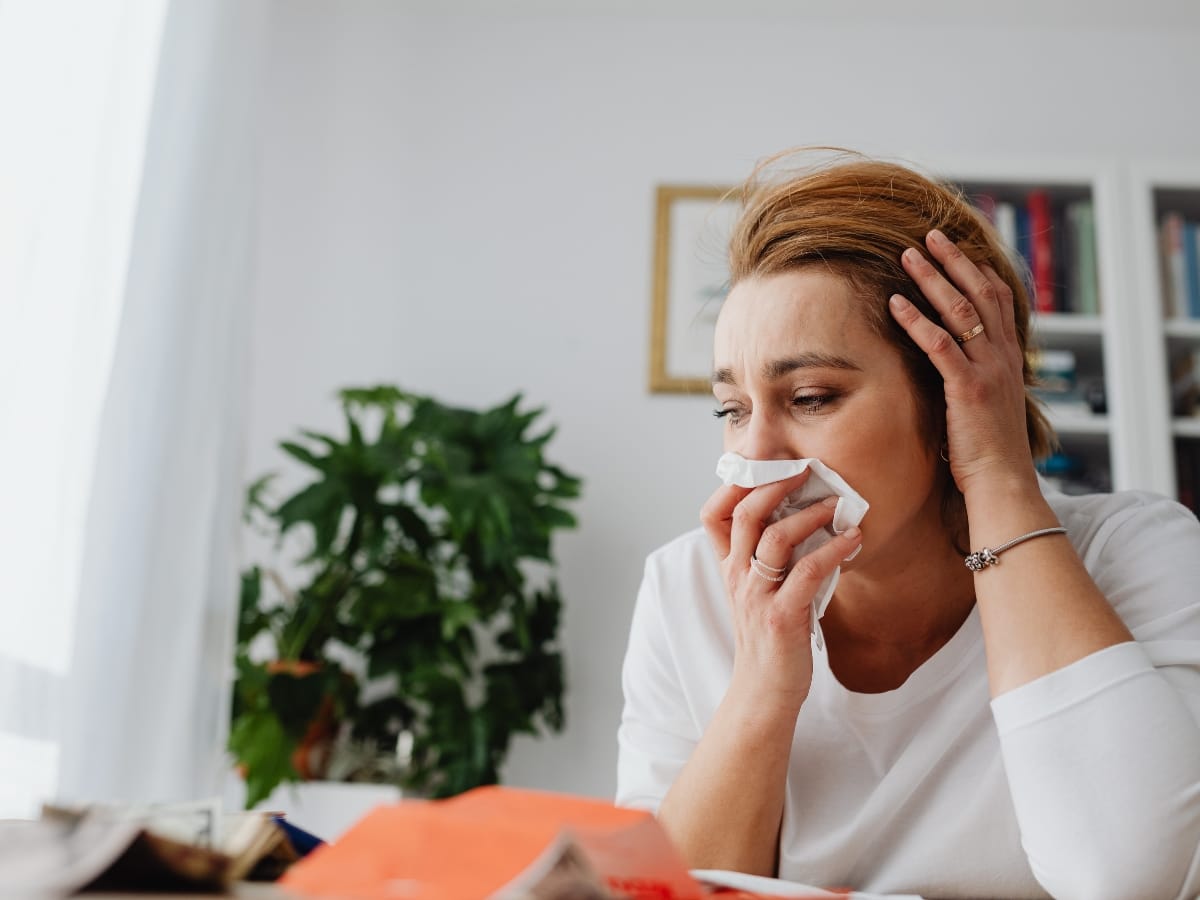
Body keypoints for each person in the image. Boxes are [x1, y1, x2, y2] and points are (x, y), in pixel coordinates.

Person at [616, 149, 1200, 899]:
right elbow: (664, 893)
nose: (753, 455)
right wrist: (764, 676)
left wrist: (997, 470)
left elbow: (1130, 879)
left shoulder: (1135, 553)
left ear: (954, 395)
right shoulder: (685, 587)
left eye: (812, 397)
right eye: (733, 410)